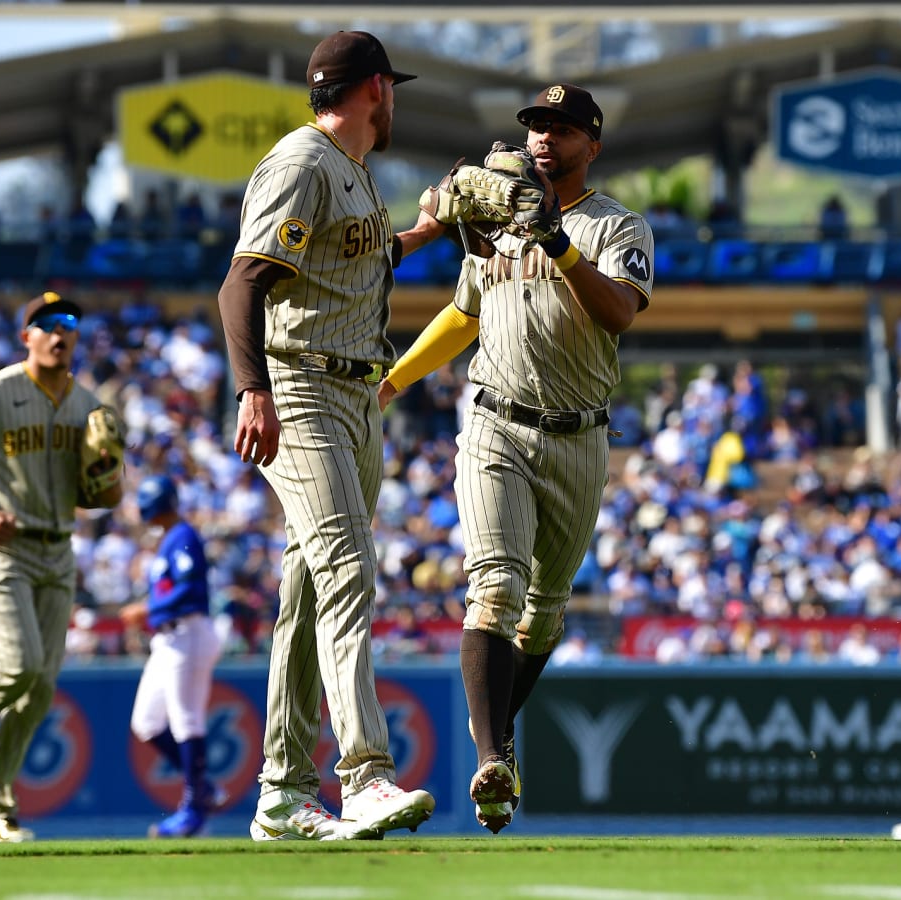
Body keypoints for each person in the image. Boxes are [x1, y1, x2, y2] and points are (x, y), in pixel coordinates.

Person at [378, 83, 655, 833]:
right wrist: (396, 380)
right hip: (497, 421)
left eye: (562, 129)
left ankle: (493, 743)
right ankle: (493, 756)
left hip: (580, 436)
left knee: (544, 617)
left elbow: (619, 311)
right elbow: (466, 313)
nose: (543, 138)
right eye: (535, 125)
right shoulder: (497, 221)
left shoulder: (615, 225)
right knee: (494, 589)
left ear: (590, 145)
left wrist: (558, 244)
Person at [216, 30, 444, 842]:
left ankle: (281, 790)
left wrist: (427, 229)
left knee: (310, 588)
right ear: (374, 88)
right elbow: (242, 282)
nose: (396, 101)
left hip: (355, 395)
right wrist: (253, 391)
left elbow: (363, 258)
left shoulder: (351, 173)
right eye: (393, 87)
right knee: (348, 566)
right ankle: (366, 777)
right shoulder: (303, 163)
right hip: (302, 383)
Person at [0, 291, 124, 842]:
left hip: (58, 548)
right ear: (26, 336)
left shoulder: (87, 404)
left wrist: (107, 472)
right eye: (47, 324)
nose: (60, 333)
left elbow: (102, 496)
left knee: (40, 689)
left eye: (69, 324)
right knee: (19, 665)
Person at [121, 475, 224, 838]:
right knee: (147, 722)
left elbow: (190, 589)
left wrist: (147, 609)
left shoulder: (183, 536)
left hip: (188, 633)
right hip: (167, 640)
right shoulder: (169, 539)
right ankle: (203, 787)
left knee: (186, 719)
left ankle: (194, 808)